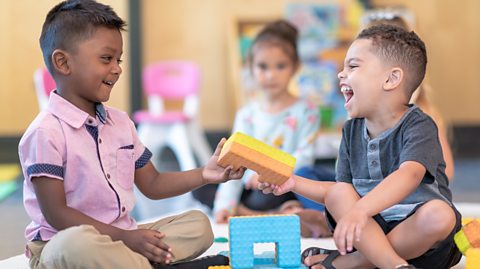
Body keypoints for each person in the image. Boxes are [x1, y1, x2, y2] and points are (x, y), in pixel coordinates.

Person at [19, 1, 245, 269]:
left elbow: (154, 183)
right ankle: (154, 263)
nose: (117, 68)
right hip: (62, 245)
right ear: (63, 62)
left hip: (119, 240)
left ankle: (136, 263)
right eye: (106, 58)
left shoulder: (120, 123)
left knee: (198, 225)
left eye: (119, 59)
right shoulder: (45, 132)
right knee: (77, 245)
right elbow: (57, 215)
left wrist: (205, 174)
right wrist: (127, 238)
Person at [259, 24, 462, 269]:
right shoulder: (351, 129)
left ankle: (353, 263)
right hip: (366, 233)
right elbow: (334, 193)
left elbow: (410, 174)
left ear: (391, 79)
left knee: (440, 215)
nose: (341, 74)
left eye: (353, 66)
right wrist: (291, 183)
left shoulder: (419, 124)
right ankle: (394, 265)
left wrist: (360, 211)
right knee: (340, 192)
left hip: (424, 244)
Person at [212, 19, 335, 238]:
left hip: (283, 185)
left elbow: (304, 158)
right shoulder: (246, 114)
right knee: (207, 182)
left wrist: (267, 174)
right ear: (250, 67)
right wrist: (224, 206)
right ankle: (263, 213)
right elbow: (234, 160)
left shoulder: (307, 111)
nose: (271, 75)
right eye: (262, 66)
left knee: (300, 185)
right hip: (253, 189)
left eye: (280, 66)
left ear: (294, 67)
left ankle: (265, 213)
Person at [361, 9, 455, 181]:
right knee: (313, 176)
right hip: (365, 191)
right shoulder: (358, 119)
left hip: (404, 197)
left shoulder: (422, 117)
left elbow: (446, 171)